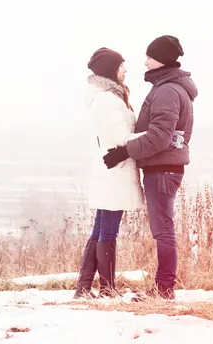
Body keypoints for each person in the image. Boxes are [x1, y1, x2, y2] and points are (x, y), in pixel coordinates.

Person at [102, 35, 198, 300]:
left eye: (149, 57)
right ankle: (163, 287)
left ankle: (164, 289)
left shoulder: (167, 90)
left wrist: (124, 151)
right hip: (164, 167)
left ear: (161, 60)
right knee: (163, 228)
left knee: (163, 230)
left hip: (163, 168)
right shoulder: (170, 87)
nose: (145, 62)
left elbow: (159, 137)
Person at [74, 47, 146, 299]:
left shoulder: (111, 97)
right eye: (121, 65)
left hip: (113, 170)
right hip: (114, 171)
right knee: (108, 230)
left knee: (101, 228)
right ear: (109, 70)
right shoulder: (106, 100)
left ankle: (84, 288)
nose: (126, 70)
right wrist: (154, 136)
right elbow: (120, 138)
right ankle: (106, 288)